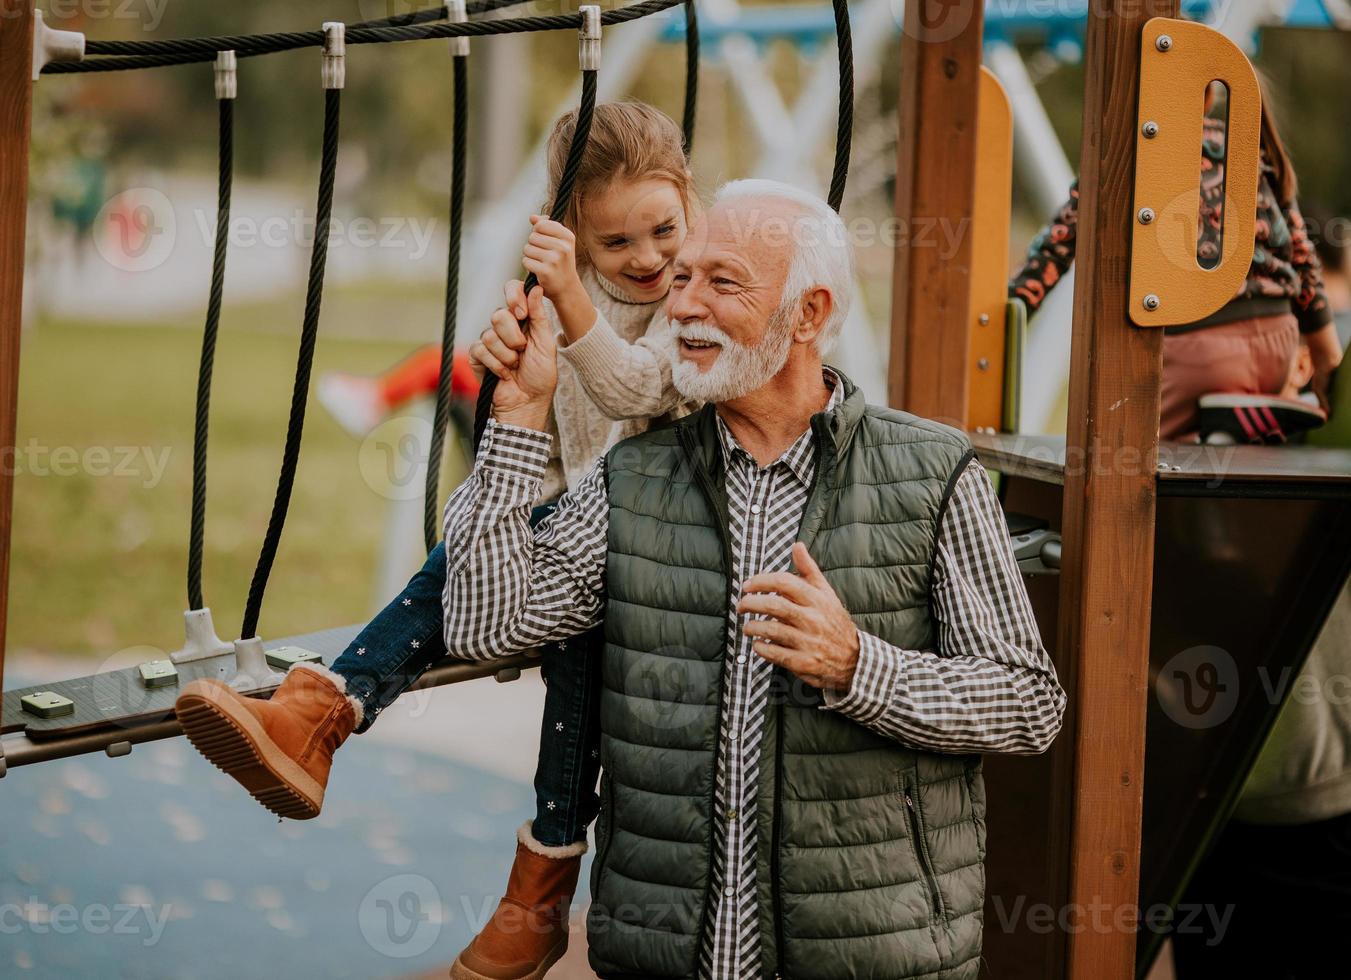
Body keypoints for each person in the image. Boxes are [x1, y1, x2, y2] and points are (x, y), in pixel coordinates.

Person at [441, 179, 1066, 979]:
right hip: (660, 958)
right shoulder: (631, 478)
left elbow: (1027, 704)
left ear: (806, 314)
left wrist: (858, 666)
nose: (680, 305)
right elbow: (486, 626)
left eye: (720, 281)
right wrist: (518, 420)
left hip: (874, 959)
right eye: (683, 278)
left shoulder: (933, 473)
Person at [175, 101, 699, 980]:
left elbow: (637, 389)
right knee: (460, 558)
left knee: (573, 632)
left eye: (662, 228)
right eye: (615, 245)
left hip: (668, 541)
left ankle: (528, 880)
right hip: (583, 526)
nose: (646, 257)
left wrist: (573, 298)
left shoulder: (697, 291)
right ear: (573, 235)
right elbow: (556, 454)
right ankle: (325, 714)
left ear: (688, 199)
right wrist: (515, 376)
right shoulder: (569, 299)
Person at [1011, 79, 1343, 440]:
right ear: (1209, 97)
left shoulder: (1123, 151)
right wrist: (1327, 363)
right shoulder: (1245, 146)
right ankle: (1232, 448)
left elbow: (1054, 249)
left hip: (1193, 352)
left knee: (1129, 456)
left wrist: (1002, 325)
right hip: (1276, 343)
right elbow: (1303, 260)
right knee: (1232, 462)